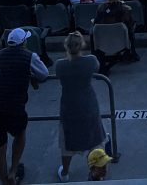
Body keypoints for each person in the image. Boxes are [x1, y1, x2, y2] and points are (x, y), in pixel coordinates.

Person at [0, 27, 50, 185]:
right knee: (20, 135)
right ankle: (13, 170)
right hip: (14, 106)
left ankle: (5, 181)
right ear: (24, 42)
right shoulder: (29, 56)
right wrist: (30, 75)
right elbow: (44, 74)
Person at [55, 32, 104, 182]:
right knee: (95, 139)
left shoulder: (60, 64)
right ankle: (96, 173)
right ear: (82, 45)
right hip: (88, 105)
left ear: (66, 46)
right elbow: (97, 68)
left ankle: (65, 174)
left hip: (69, 107)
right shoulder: (91, 61)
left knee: (67, 143)